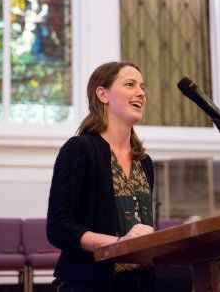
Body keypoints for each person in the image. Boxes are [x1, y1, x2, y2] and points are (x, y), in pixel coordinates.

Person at [47, 61, 155, 291]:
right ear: (103, 94)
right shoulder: (79, 150)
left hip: (140, 283)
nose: (141, 93)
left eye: (142, 87)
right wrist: (119, 244)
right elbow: (59, 227)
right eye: (130, 84)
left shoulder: (144, 162)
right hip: (91, 283)